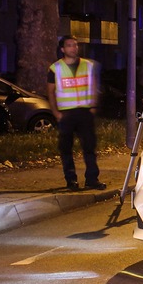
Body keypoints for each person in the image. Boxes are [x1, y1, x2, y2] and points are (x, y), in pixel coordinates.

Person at [47, 35, 105, 191]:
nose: (74, 48)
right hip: (66, 114)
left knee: (89, 147)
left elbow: (93, 86)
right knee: (66, 148)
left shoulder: (87, 65)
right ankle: (71, 180)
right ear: (62, 49)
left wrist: (93, 106)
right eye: (70, 45)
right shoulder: (55, 68)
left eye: (75, 45)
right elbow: (50, 92)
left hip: (85, 112)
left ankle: (92, 179)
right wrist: (55, 112)